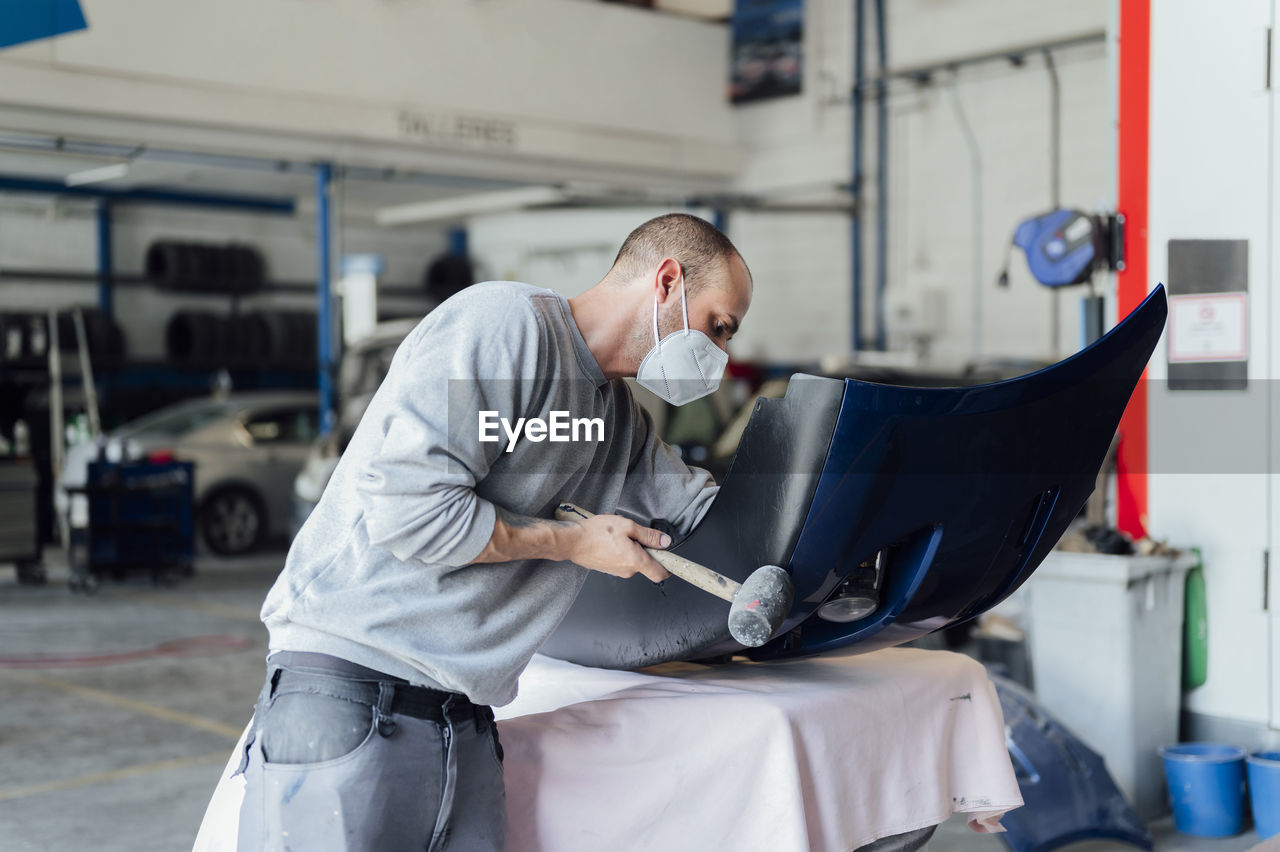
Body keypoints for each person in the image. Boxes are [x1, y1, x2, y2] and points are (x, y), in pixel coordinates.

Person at [232, 213, 753, 851]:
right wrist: (572, 545)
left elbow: (703, 510)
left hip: (464, 721)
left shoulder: (615, 418)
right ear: (667, 282)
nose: (720, 356)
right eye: (718, 326)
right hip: (352, 695)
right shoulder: (508, 326)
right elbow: (410, 508)